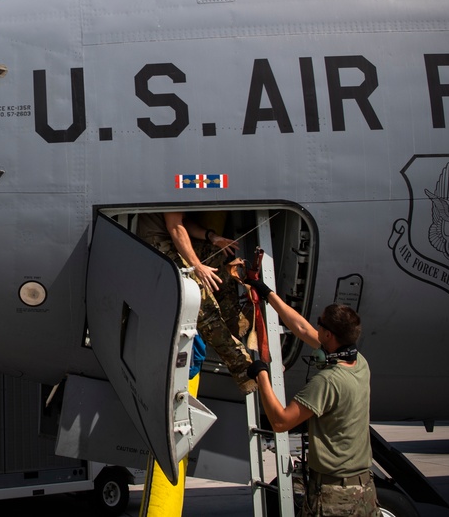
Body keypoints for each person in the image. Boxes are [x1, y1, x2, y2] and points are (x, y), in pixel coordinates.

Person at [246, 279, 380, 517]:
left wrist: (261, 373)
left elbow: (280, 421)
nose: (315, 327)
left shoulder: (327, 381)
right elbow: (303, 329)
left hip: (334, 497)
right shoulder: (360, 363)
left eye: (320, 324)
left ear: (328, 334)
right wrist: (267, 294)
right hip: (363, 488)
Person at [137, 211, 257, 394]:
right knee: (204, 307)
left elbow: (182, 221)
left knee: (216, 255)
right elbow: (175, 226)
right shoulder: (179, 184)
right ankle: (242, 370)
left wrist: (212, 237)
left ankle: (233, 321)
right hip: (155, 245)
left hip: (171, 239)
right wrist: (197, 267)